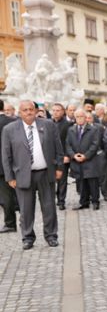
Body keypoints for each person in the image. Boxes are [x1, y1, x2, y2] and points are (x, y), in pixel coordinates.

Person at [1, 100, 64, 250]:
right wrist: (9, 177)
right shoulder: (9, 129)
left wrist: (59, 167)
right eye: (25, 110)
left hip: (45, 173)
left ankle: (51, 236)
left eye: (31, 109)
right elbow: (6, 155)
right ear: (19, 112)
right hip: (22, 175)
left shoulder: (48, 125)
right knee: (25, 209)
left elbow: (58, 147)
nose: (29, 112)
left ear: (36, 111)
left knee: (49, 207)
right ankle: (27, 237)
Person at [67, 109, 101, 210]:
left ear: (85, 118)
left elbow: (95, 145)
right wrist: (73, 155)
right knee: (81, 183)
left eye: (81, 116)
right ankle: (84, 202)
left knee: (92, 182)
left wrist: (85, 156)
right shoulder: (71, 130)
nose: (79, 119)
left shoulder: (93, 129)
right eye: (77, 117)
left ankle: (95, 201)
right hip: (77, 161)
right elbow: (68, 145)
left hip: (90, 160)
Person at [0, 100, 18, 233]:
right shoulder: (13, 121)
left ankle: (10, 223)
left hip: (2, 166)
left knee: (6, 196)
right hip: (14, 163)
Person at [51, 103, 73, 210]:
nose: (55, 112)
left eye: (58, 110)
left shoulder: (67, 124)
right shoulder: (48, 123)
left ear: (63, 111)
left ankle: (61, 201)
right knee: (52, 179)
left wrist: (67, 155)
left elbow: (69, 141)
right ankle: (55, 197)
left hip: (63, 156)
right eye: (54, 110)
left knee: (62, 179)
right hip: (50, 156)